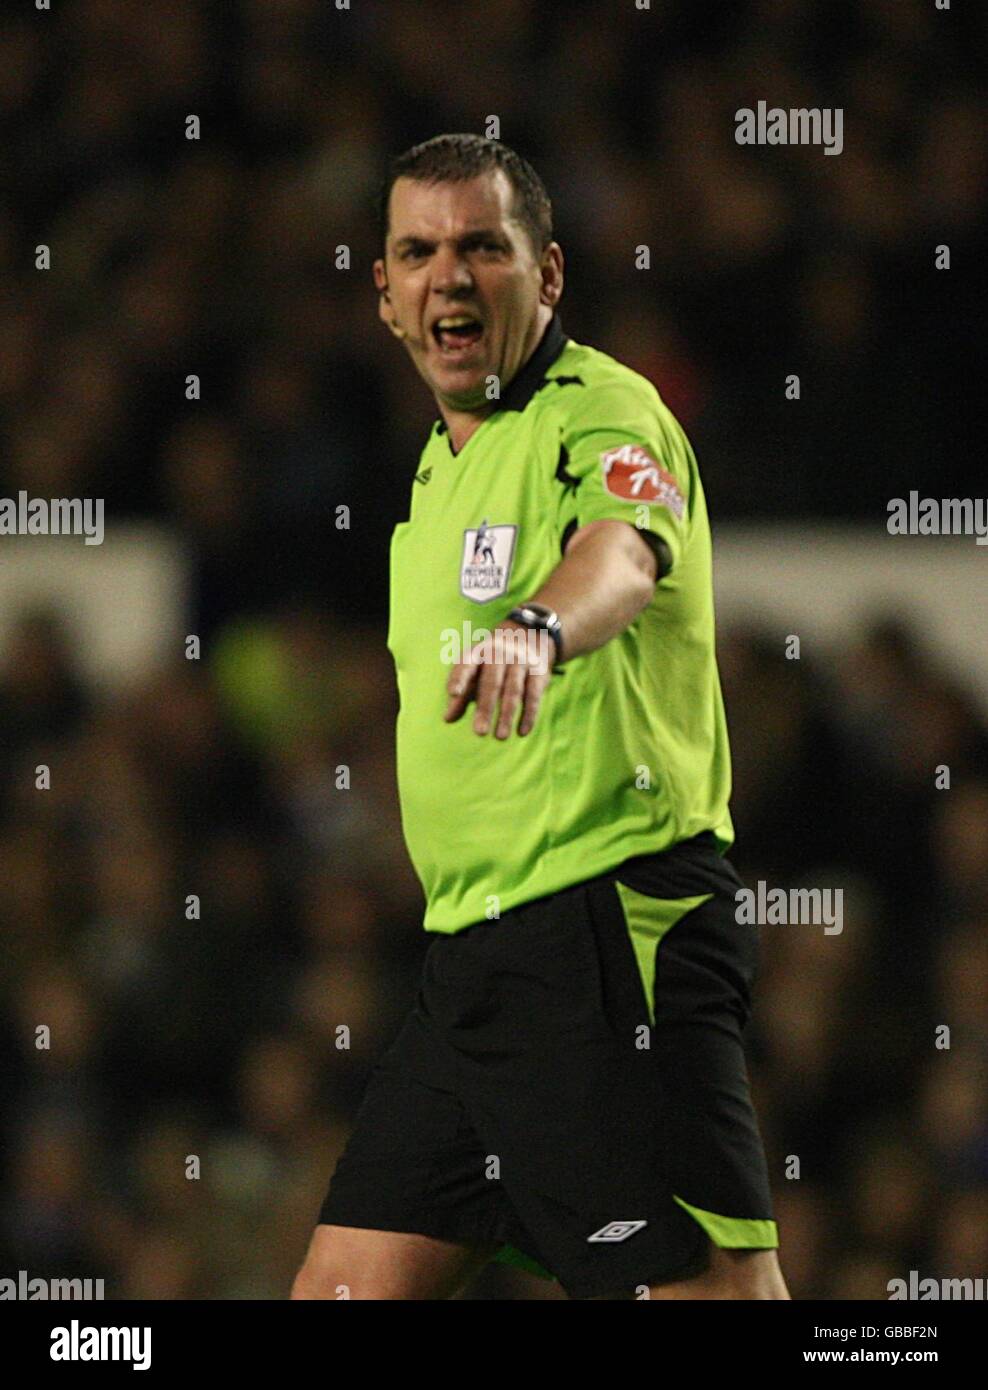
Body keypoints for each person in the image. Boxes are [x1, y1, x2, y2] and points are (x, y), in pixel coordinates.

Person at [292, 133, 789, 1301]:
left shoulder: (604, 409)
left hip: (603, 932)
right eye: (417, 251)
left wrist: (539, 627)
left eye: (482, 248)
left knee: (709, 1292)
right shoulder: (434, 469)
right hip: (471, 961)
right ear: (384, 293)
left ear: (548, 274)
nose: (448, 277)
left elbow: (621, 553)